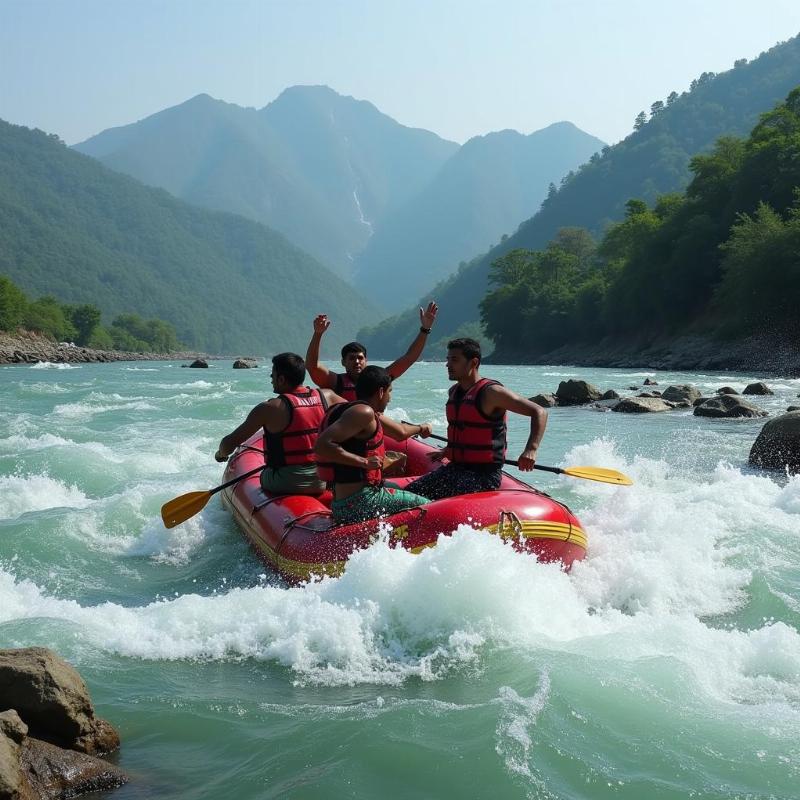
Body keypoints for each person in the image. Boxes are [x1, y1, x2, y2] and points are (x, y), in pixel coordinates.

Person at [405, 338, 548, 500]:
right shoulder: (454, 391)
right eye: (448, 359)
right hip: (454, 469)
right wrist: (449, 449)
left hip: (483, 476)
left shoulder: (492, 393)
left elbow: (539, 412)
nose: (448, 365)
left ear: (473, 363)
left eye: (455, 360)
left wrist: (531, 449)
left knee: (437, 502)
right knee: (409, 495)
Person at [315, 365, 432, 525]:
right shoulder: (364, 413)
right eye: (390, 392)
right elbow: (322, 445)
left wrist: (421, 427)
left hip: (347, 501)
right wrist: (364, 462)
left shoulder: (352, 410)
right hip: (360, 502)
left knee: (406, 489)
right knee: (431, 507)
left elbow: (401, 432)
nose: (390, 398)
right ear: (381, 392)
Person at [214, 352, 345, 496]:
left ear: (281, 379)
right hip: (321, 479)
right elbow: (358, 412)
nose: (271, 380)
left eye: (272, 376)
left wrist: (220, 454)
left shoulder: (270, 408)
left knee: (265, 474)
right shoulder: (327, 396)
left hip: (284, 482)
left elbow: (229, 444)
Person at [305, 301, 439, 401]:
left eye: (360, 358)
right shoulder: (335, 382)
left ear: (366, 361)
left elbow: (409, 358)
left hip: (373, 432)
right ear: (343, 362)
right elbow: (312, 366)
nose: (357, 362)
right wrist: (318, 334)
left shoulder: (379, 378)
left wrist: (425, 329)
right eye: (351, 358)